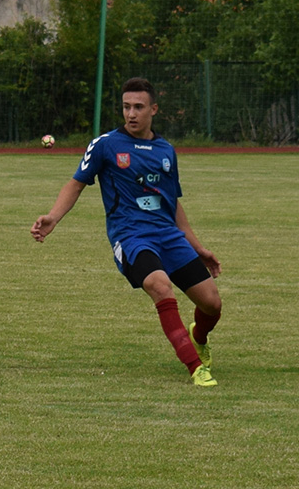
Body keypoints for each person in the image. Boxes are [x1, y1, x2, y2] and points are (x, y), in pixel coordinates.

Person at [31, 77, 222, 387]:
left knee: (212, 304)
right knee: (160, 286)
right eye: (126, 107)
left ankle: (197, 337)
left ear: (154, 109)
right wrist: (53, 217)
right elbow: (76, 183)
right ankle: (195, 367)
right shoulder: (106, 145)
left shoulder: (165, 150)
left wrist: (197, 246)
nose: (131, 114)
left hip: (168, 235)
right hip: (131, 236)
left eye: (138, 107)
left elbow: (172, 204)